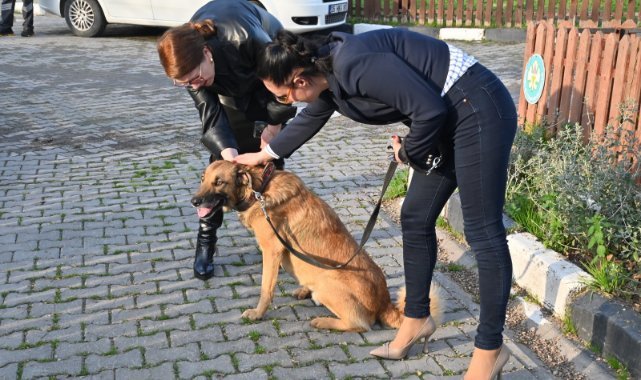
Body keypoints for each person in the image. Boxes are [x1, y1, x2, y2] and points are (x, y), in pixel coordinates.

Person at [235, 29, 517, 379]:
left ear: (299, 80)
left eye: (284, 96)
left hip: (475, 108)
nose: (288, 104)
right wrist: (265, 154)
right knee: (415, 216)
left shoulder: (354, 63)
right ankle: (415, 320)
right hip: (444, 115)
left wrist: (408, 152)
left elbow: (427, 109)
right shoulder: (328, 76)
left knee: (483, 232)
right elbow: (311, 117)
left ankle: (490, 350)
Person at [157, 0, 296, 281]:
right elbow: (210, 114)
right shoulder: (189, 66)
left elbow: (284, 83)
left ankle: (278, 237)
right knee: (218, 171)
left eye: (194, 79)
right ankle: (206, 242)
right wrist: (227, 153)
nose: (192, 86)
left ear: (207, 53)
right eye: (184, 83)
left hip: (270, 78)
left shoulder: (246, 38)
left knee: (269, 164)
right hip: (227, 88)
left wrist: (275, 124)